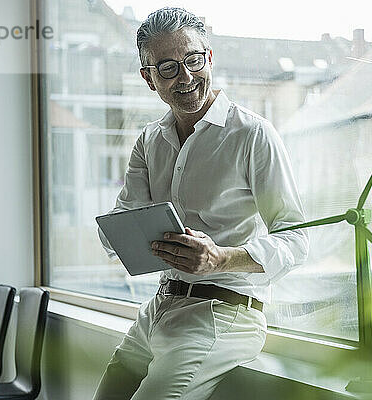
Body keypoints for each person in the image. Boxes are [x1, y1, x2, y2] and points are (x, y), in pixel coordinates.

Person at [93, 7, 308, 400]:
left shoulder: (253, 135)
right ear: (149, 78)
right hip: (159, 308)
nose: (186, 77)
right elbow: (123, 218)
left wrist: (220, 258)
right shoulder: (149, 141)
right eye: (169, 68)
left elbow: (295, 240)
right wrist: (118, 234)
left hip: (224, 315)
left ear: (209, 57)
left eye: (193, 60)